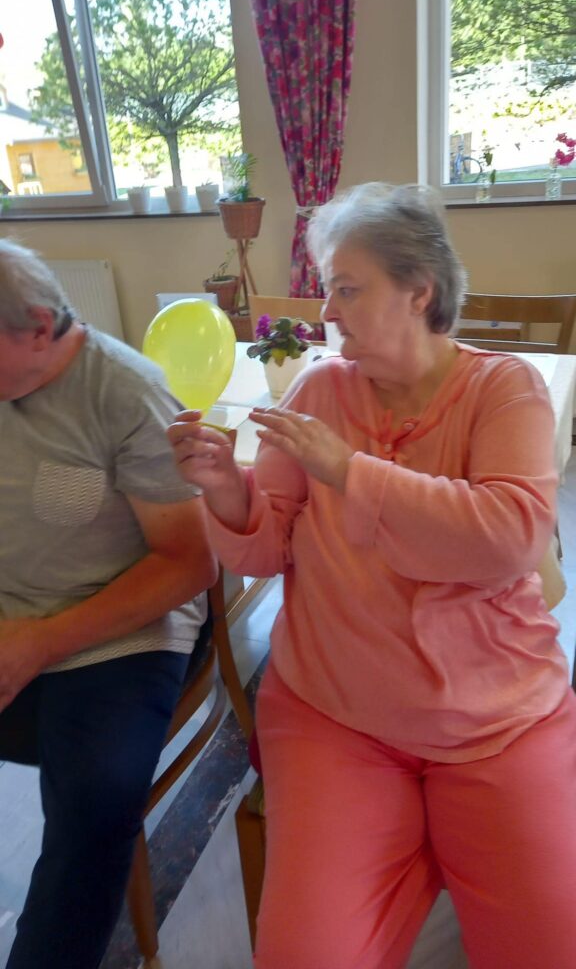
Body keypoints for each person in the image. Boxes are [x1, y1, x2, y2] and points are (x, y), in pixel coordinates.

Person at [168, 183, 576, 969]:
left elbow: (511, 538)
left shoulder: (505, 388)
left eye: (348, 289)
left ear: (419, 290)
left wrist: (350, 470)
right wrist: (224, 489)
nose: (327, 311)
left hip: (496, 722)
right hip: (337, 718)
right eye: (329, 289)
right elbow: (263, 549)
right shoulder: (318, 389)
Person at [0, 239, 217, 969]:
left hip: (120, 632)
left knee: (95, 800)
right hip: (14, 614)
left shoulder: (125, 392)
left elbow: (189, 563)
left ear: (38, 328)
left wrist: (41, 640)